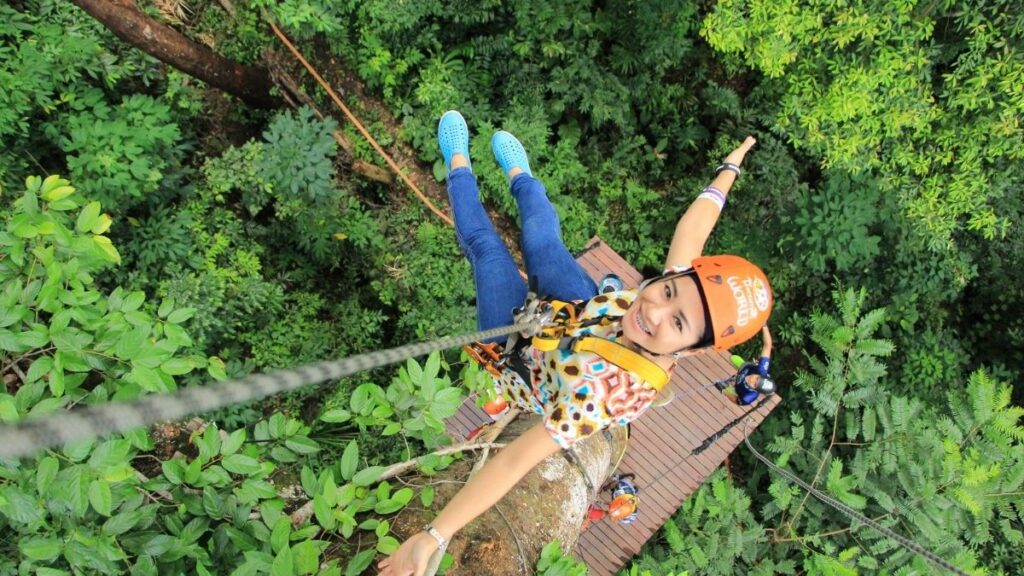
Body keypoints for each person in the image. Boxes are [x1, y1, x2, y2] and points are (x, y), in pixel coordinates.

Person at [377, 111, 772, 576]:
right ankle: (520, 174)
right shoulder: (670, 293)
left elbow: (515, 463)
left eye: (678, 322)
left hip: (522, 353)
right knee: (542, 235)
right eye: (667, 290)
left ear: (696, 347)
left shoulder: (601, 396)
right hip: (583, 308)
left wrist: (434, 535)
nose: (653, 311)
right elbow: (696, 225)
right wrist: (730, 168)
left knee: (486, 247)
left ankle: (458, 160)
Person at [718, 325, 776, 405]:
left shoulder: (749, 397)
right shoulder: (762, 369)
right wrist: (764, 325)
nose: (752, 379)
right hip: (745, 368)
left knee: (728, 389)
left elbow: (737, 401)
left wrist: (724, 391)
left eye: (754, 384)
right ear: (761, 375)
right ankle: (740, 370)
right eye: (757, 377)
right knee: (733, 358)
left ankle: (729, 387)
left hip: (738, 388)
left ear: (756, 390)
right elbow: (767, 345)